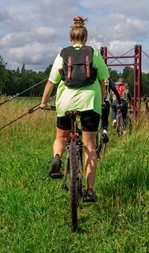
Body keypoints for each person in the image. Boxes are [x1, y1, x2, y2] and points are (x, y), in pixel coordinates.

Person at [40, 16, 109, 203]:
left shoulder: (63, 54)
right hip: (90, 102)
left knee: (61, 137)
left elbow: (51, 81)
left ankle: (57, 157)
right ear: (85, 38)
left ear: (71, 38)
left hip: (66, 103)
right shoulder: (94, 53)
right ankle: (90, 191)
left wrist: (43, 102)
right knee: (89, 146)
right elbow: (103, 80)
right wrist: (101, 100)